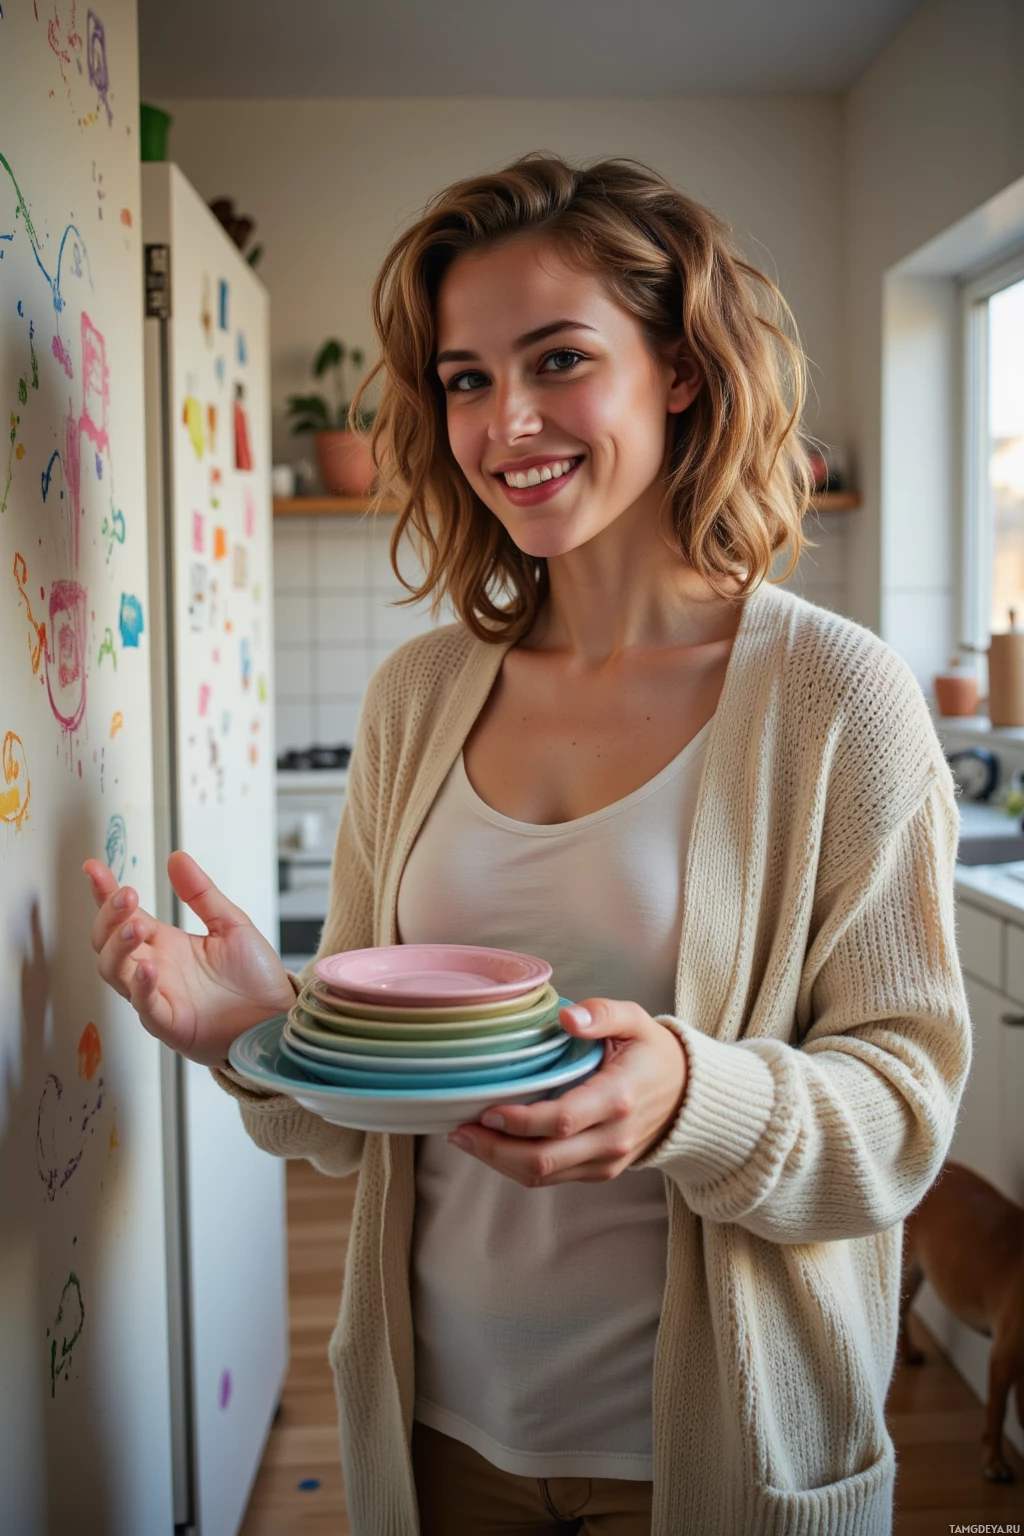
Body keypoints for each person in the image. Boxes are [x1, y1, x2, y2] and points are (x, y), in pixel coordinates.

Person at [83, 153, 971, 1536]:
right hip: (437, 1441)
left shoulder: (836, 701)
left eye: (559, 359)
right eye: (467, 378)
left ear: (678, 367)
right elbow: (372, 1117)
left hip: (713, 1464)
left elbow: (907, 1114)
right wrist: (257, 1029)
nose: (508, 422)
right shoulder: (418, 698)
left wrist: (690, 1093)